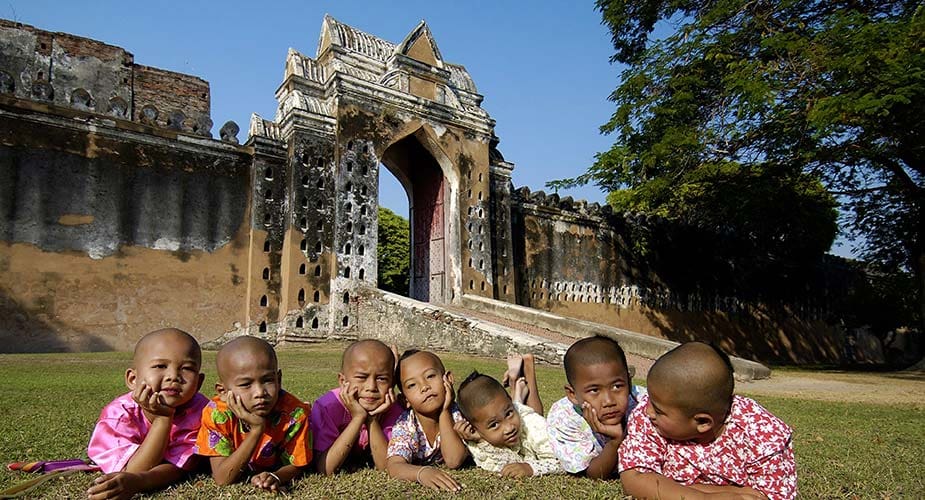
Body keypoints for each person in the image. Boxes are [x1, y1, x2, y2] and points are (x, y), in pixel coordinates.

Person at [619, 342, 797, 499]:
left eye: (658, 410)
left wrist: (668, 488)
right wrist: (704, 497)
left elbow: (767, 496)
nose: (648, 411)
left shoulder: (762, 433)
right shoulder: (648, 418)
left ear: (703, 422)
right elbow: (634, 479)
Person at [86, 328, 208, 499]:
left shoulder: (202, 413)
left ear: (199, 382)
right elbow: (130, 469)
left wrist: (163, 419)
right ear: (133, 379)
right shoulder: (119, 415)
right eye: (160, 366)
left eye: (186, 368)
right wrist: (162, 420)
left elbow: (178, 467)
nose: (173, 376)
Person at [194, 336, 311, 492]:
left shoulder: (294, 414)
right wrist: (257, 430)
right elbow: (223, 478)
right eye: (246, 384)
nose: (260, 393)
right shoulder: (217, 414)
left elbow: (297, 464)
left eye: (268, 380)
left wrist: (277, 476)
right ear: (223, 391)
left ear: (279, 379)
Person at [546, 335, 643, 479]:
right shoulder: (564, 417)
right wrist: (615, 442)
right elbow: (594, 474)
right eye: (594, 390)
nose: (609, 401)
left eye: (617, 386)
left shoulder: (643, 403)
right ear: (572, 395)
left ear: (628, 382)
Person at [454, 355, 562, 477]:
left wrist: (531, 468)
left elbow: (563, 461)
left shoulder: (534, 425)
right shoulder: (478, 441)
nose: (509, 428)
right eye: (494, 424)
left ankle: (527, 370)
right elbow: (508, 465)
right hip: (509, 408)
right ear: (475, 428)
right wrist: (481, 440)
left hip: (524, 416)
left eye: (509, 413)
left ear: (511, 404)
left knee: (535, 414)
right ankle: (517, 386)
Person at [311, 339, 402, 475]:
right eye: (361, 377)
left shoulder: (393, 410)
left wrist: (372, 420)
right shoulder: (327, 407)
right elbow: (326, 468)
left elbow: (387, 466)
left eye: (381, 379)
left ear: (391, 384)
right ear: (343, 381)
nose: (371, 387)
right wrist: (358, 418)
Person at [386, 349, 468, 492]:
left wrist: (444, 411)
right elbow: (394, 465)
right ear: (405, 400)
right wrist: (421, 473)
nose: (424, 387)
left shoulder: (459, 414)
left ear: (448, 379)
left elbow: (454, 460)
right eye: (412, 385)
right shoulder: (406, 424)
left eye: (430, 376)